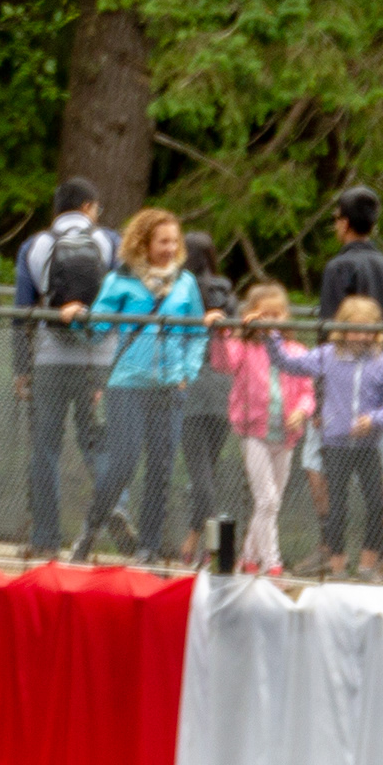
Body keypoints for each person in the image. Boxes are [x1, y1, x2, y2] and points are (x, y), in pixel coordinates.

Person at [15, 177, 123, 560]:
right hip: (100, 358)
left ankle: (45, 538)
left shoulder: (34, 245)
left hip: (50, 358)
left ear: (57, 209)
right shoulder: (110, 242)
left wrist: (21, 368)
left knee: (44, 448)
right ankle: (117, 506)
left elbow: (23, 312)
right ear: (90, 207)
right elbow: (125, 298)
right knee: (97, 441)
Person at [90, 206, 205, 566]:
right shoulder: (122, 279)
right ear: (144, 242)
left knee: (161, 467)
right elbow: (96, 326)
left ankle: (148, 548)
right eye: (162, 241)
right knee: (123, 461)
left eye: (174, 241)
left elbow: (197, 331)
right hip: (127, 383)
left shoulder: (185, 283)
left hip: (170, 386)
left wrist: (187, 371)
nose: (170, 248)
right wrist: (77, 317)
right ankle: (90, 529)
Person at [306, 186, 383, 567]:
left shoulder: (339, 268)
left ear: (344, 222)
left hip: (341, 393)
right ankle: (375, 558)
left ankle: (332, 551)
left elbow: (329, 335)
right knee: (382, 478)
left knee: (322, 469)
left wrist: (318, 399)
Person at [278, 295, 383, 580]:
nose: (361, 335)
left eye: (367, 328)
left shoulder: (382, 362)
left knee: (377, 503)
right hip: (335, 444)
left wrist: (374, 420)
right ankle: (337, 564)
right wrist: (270, 334)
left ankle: (368, 563)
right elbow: (288, 362)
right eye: (354, 328)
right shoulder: (326, 355)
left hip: (367, 445)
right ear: (342, 328)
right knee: (336, 506)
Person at [214, 277, 311, 573]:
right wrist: (224, 333)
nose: (271, 320)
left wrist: (302, 410)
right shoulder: (244, 347)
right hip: (253, 432)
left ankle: (248, 557)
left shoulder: (296, 351)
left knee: (272, 502)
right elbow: (224, 363)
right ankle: (273, 561)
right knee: (266, 497)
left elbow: (308, 390)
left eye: (277, 314)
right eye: (264, 314)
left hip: (286, 434)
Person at [179, 228, 233, 537]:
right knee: (206, 471)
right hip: (224, 388)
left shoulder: (183, 293)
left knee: (199, 474)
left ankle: (216, 546)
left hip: (193, 386)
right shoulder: (230, 297)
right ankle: (192, 543)